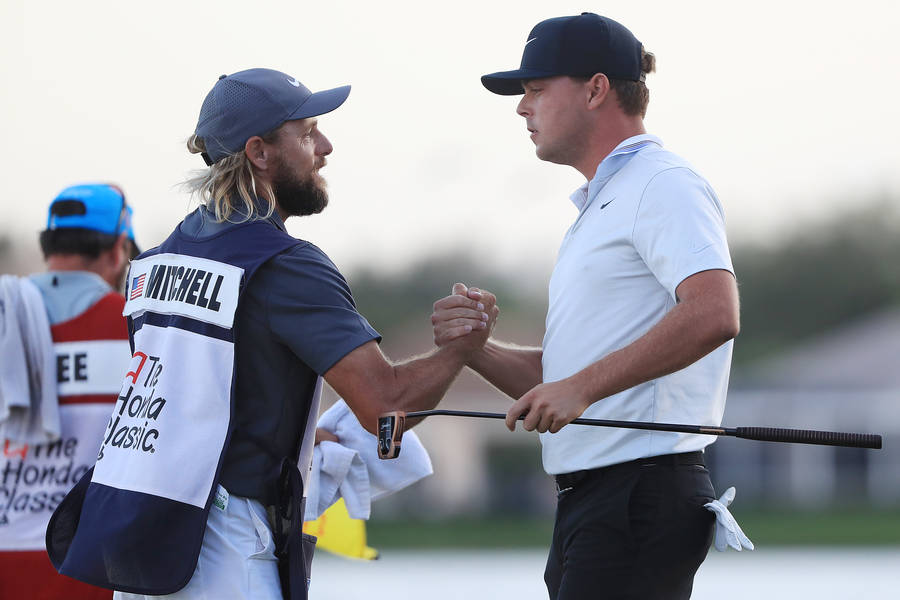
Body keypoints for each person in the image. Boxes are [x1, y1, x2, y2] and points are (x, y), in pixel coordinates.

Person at [46, 68, 496, 600]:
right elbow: (386, 409)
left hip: (146, 540)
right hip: (225, 545)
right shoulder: (287, 264)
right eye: (306, 133)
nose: (325, 146)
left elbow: (195, 400)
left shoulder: (155, 260)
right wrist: (460, 350)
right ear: (259, 152)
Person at [432, 13, 741, 600]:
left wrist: (583, 388)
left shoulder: (663, 183)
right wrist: (477, 350)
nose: (522, 108)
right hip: (597, 500)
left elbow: (713, 313)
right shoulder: (605, 202)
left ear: (596, 89)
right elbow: (566, 380)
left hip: (639, 496)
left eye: (536, 89)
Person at [0, 183, 138, 600]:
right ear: (118, 251)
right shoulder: (135, 328)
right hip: (86, 566)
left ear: (49, 246)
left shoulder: (8, 316)